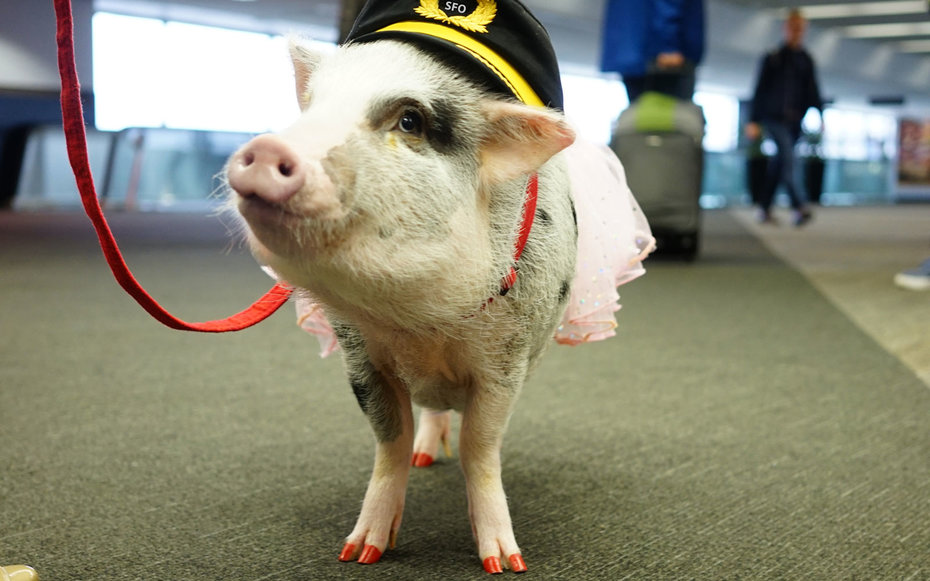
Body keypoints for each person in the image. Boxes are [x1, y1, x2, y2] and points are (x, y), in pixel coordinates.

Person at [745, 8, 823, 226]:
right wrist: (752, 120)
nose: (796, 32)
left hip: (795, 121)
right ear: (785, 29)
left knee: (779, 165)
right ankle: (800, 206)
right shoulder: (773, 58)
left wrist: (821, 115)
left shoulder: (806, 60)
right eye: (793, 27)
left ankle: (763, 208)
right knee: (788, 160)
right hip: (773, 119)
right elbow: (759, 90)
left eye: (800, 28)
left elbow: (813, 91)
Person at [600, 0, 705, 103]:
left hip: (630, 48)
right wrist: (668, 46)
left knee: (640, 113)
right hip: (662, 57)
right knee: (671, 116)